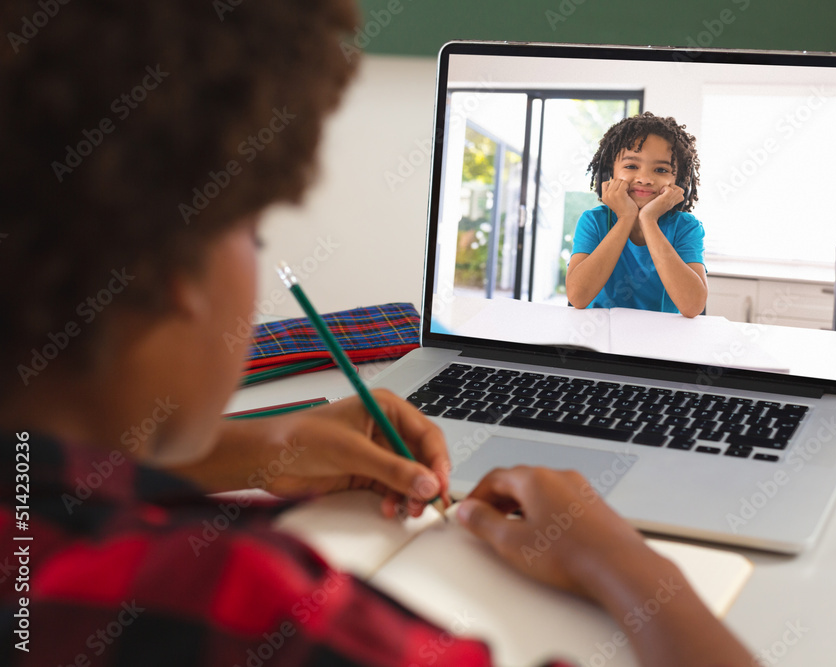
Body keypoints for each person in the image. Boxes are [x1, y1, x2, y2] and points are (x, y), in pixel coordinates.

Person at [0, 2, 752, 665]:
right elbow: (581, 291)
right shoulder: (238, 603)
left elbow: (692, 307)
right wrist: (630, 567)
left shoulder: (684, 226)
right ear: (177, 279)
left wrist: (256, 447)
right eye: (254, 231)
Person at [566, 113, 709, 317]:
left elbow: (693, 306)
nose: (645, 179)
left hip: (661, 341)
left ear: (680, 182)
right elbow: (577, 297)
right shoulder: (594, 221)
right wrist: (626, 218)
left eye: (661, 169)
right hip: (597, 338)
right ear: (609, 175)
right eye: (631, 166)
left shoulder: (686, 228)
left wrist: (648, 220)